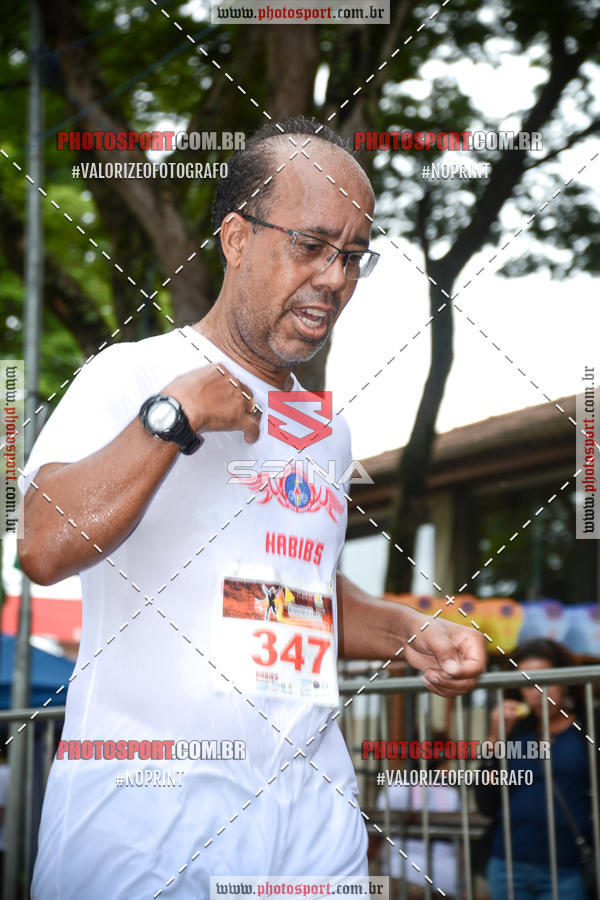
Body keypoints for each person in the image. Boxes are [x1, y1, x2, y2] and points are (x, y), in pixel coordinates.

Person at [18, 115, 487, 899]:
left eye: (352, 256)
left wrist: (410, 631)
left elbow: (295, 592)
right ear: (236, 239)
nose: (334, 278)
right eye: (311, 245)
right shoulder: (134, 375)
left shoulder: (325, 431)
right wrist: (173, 418)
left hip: (308, 815)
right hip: (146, 815)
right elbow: (41, 544)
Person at [474, 638, 598, 900]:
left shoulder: (588, 726)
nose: (538, 691)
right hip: (507, 865)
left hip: (569, 868)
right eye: (527, 683)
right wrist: (494, 739)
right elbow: (485, 802)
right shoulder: (514, 731)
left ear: (565, 681)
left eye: (546, 680)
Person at [375, 737, 461, 898]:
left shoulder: (395, 789)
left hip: (400, 875)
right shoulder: (451, 794)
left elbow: (375, 835)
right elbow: (461, 845)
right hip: (445, 881)